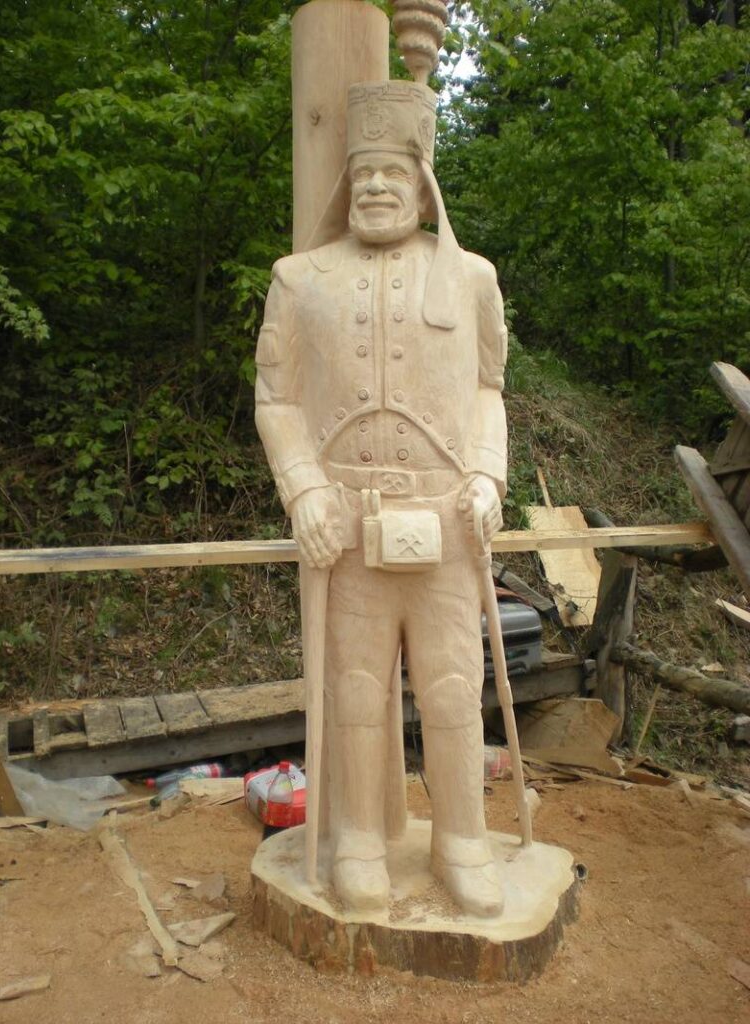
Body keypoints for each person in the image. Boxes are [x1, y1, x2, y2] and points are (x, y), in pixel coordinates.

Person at [255, 81, 508, 917]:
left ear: (423, 177)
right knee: (357, 690)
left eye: (392, 170)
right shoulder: (300, 279)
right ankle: (358, 838)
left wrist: (487, 475)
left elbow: (487, 391)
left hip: (446, 519)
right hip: (348, 526)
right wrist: (302, 491)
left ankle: (462, 840)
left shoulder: (470, 277)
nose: (373, 185)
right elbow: (278, 399)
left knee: (451, 687)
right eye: (361, 170)